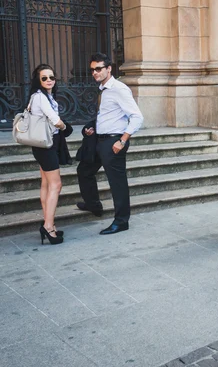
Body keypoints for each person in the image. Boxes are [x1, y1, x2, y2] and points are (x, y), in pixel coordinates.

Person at [76, 53, 144, 235]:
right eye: (92, 69)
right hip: (99, 139)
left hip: (114, 142)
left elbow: (137, 117)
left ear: (108, 69)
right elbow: (105, 116)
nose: (95, 72)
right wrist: (91, 127)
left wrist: (122, 141)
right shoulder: (102, 89)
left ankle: (121, 221)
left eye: (98, 68)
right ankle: (93, 205)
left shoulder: (119, 89)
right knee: (84, 170)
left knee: (117, 183)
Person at [29, 64, 68, 245]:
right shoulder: (40, 97)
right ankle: (48, 226)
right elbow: (55, 119)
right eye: (44, 78)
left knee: (45, 183)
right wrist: (64, 126)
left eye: (51, 77)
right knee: (56, 185)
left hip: (43, 145)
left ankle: (48, 223)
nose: (49, 81)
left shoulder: (45, 96)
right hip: (46, 146)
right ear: (38, 80)